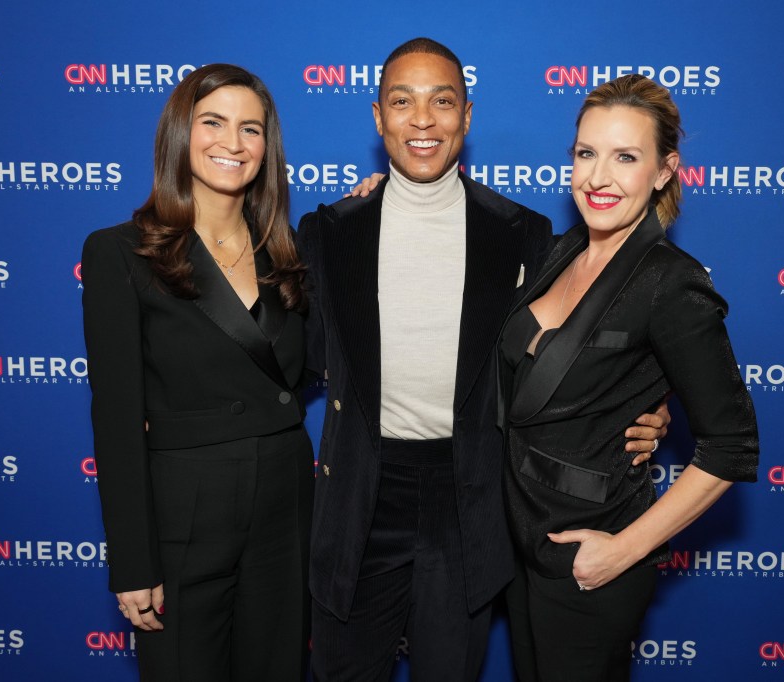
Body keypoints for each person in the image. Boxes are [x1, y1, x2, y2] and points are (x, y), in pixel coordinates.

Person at [297, 39, 669, 682]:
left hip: (469, 497)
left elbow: (592, 336)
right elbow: (295, 358)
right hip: (360, 493)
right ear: (378, 116)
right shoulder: (329, 231)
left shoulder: (523, 233)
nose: (422, 120)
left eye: (441, 102)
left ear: (466, 117)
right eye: (402, 102)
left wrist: (651, 406)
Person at [499, 73, 761, 682]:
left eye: (626, 157)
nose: (598, 177)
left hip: (592, 557)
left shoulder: (672, 282)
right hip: (518, 540)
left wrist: (624, 550)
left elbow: (731, 445)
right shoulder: (558, 251)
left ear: (665, 171)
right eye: (586, 154)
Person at [81, 64, 312, 681]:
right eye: (213, 123)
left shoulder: (292, 253)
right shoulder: (121, 253)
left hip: (284, 509)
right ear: (180, 133)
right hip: (184, 513)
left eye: (251, 129)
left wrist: (372, 208)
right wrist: (133, 562)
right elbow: (118, 421)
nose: (233, 143)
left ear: (268, 147)